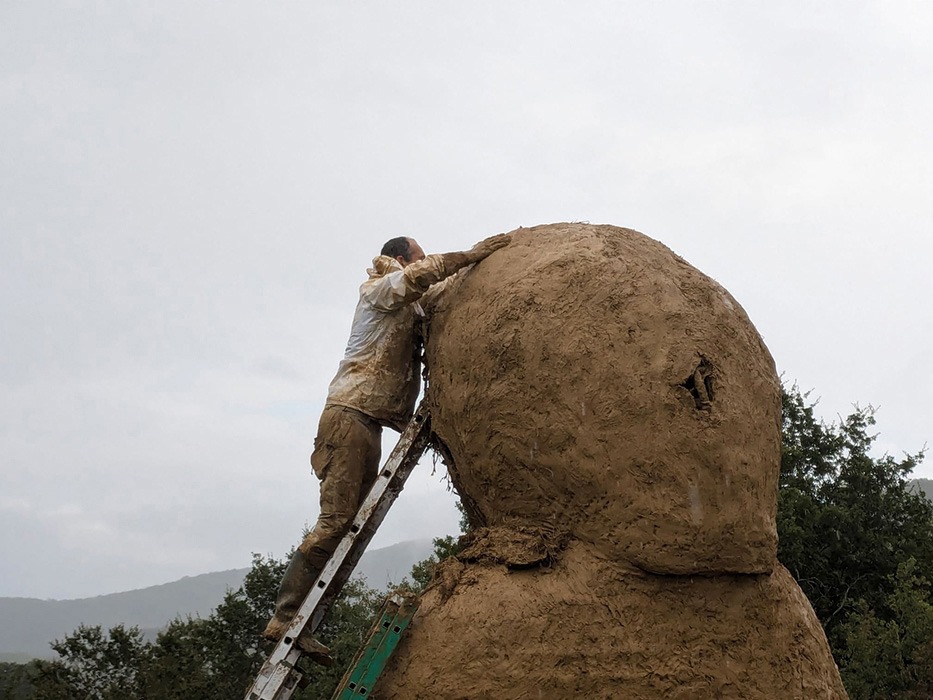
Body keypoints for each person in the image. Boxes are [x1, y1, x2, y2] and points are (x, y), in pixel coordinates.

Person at [263, 233, 511, 662]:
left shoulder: (407, 302)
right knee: (335, 521)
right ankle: (284, 619)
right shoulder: (379, 289)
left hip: (369, 421)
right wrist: (470, 255)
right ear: (399, 258)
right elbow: (418, 278)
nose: (424, 259)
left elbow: (429, 291)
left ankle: (305, 622)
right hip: (349, 415)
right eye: (418, 254)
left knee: (351, 528)